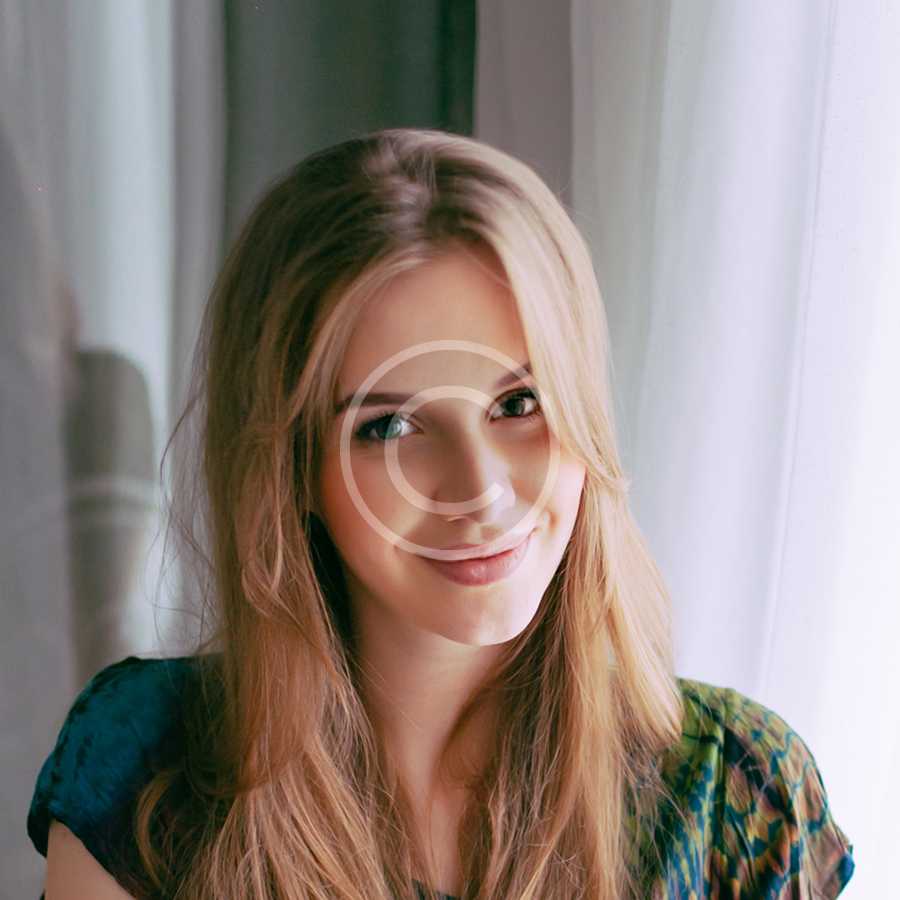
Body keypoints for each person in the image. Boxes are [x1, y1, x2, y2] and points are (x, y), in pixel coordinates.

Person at [27, 128, 855, 900]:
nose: (481, 490)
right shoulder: (146, 769)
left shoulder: (735, 797)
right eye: (391, 426)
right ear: (290, 471)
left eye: (520, 403)